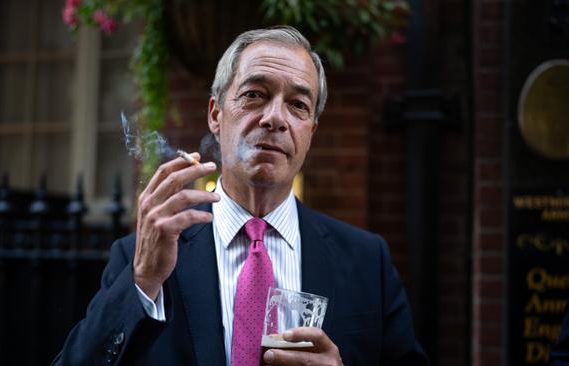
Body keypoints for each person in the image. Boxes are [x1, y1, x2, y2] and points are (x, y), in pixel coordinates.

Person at [53, 26, 428, 366]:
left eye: (298, 105)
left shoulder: (366, 261)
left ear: (311, 131)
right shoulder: (143, 258)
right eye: (254, 95)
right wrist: (142, 281)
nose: (275, 118)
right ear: (216, 116)